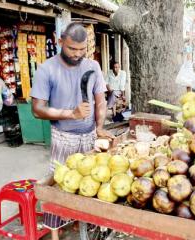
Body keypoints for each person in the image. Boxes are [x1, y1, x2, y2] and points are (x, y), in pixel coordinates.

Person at [31, 22, 114, 240]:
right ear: (60, 42)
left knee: (89, 185)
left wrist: (100, 127)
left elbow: (101, 100)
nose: (77, 55)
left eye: (82, 50)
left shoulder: (93, 66)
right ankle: (55, 233)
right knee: (59, 187)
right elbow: (37, 110)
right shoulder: (46, 69)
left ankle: (83, 225)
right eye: (71, 49)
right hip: (63, 137)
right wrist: (71, 114)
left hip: (89, 136)